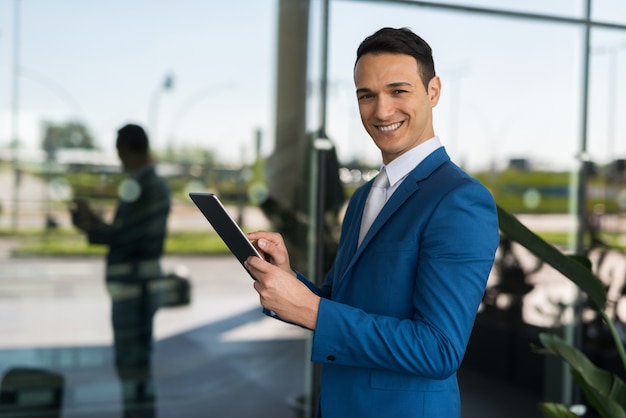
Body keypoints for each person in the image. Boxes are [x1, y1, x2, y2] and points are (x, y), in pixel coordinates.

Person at [244, 27, 499, 417]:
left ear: (433, 92)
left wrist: (312, 309)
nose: (381, 111)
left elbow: (439, 350)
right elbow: (345, 305)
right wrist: (288, 280)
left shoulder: (460, 200)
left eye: (398, 91)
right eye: (367, 95)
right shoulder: (364, 197)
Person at [71, 123, 171, 418]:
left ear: (125, 149)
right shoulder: (145, 183)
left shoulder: (148, 185)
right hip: (135, 286)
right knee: (132, 363)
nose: (117, 158)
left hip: (135, 288)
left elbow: (127, 236)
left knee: (133, 364)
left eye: (118, 150)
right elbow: (127, 233)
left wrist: (90, 224)